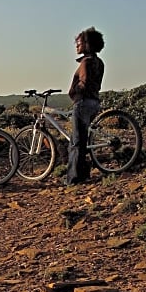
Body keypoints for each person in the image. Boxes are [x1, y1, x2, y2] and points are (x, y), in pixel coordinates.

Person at [66, 26, 105, 185]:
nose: (77, 45)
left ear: (87, 44)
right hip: (94, 102)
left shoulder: (86, 63)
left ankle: (73, 179)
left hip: (83, 103)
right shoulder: (99, 62)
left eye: (79, 43)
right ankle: (83, 174)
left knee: (76, 142)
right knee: (82, 141)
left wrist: (74, 92)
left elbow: (84, 82)